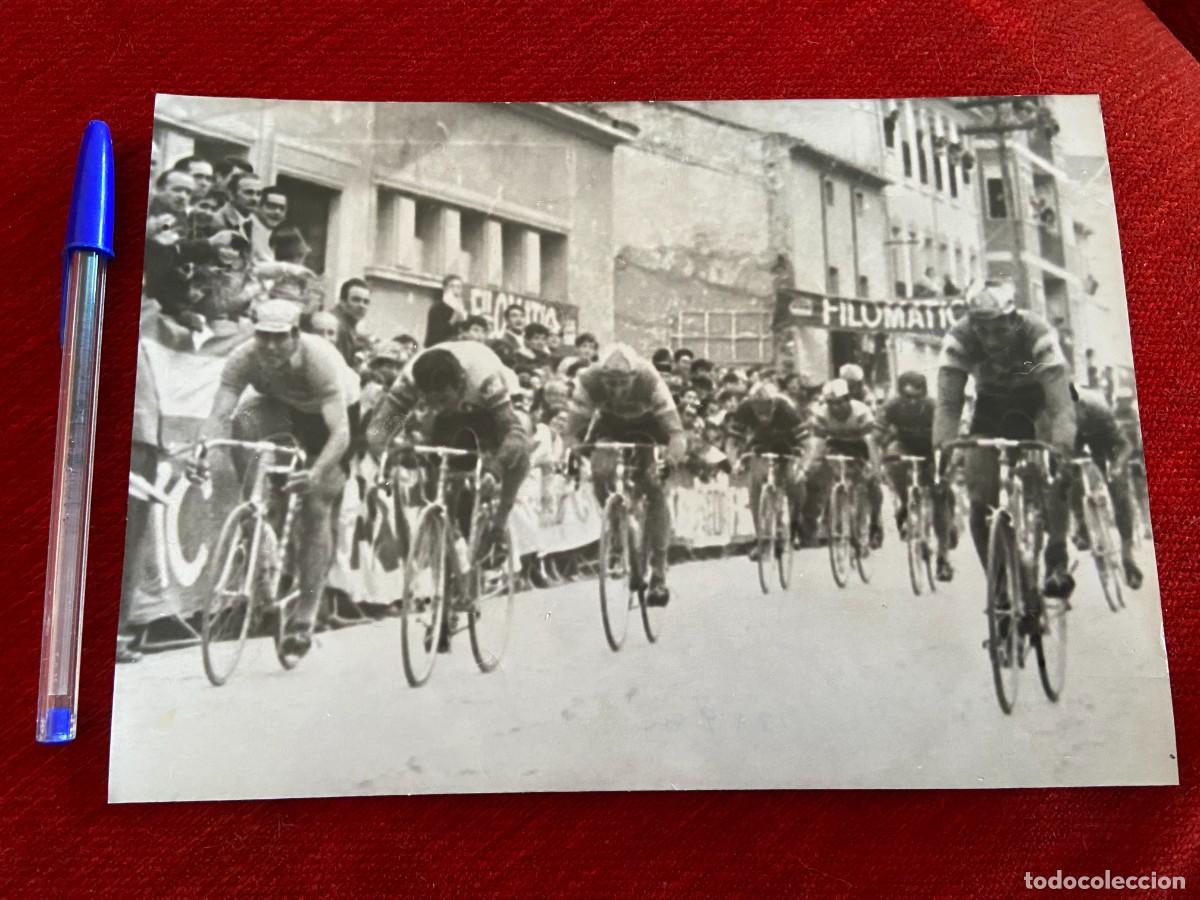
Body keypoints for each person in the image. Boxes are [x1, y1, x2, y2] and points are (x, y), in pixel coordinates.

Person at [200, 300, 355, 666]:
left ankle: (306, 614)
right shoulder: (244, 356)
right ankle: (256, 508)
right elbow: (219, 413)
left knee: (316, 505)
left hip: (331, 419)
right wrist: (202, 451)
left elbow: (341, 433)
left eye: (279, 337)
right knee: (241, 420)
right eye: (263, 336)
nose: (269, 346)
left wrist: (315, 473)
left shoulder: (319, 360)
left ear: (296, 335)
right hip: (281, 406)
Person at [932, 278, 1077, 601]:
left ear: (1013, 318)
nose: (990, 339)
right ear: (971, 323)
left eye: (998, 329)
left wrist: (1062, 446)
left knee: (1057, 475)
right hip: (991, 406)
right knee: (979, 499)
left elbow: (1061, 403)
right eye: (981, 329)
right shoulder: (960, 336)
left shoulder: (1035, 331)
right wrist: (943, 448)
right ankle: (998, 586)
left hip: (1037, 404)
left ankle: (1056, 559)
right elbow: (948, 404)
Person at [366, 342, 531, 602]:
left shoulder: (483, 379)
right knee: (438, 462)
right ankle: (452, 542)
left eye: (442, 399)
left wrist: (496, 468)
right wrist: (393, 454)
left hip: (489, 408)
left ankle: (499, 525)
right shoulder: (409, 382)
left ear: (460, 383)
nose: (437, 406)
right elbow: (378, 433)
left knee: (519, 452)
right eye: (430, 400)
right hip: (450, 418)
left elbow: (516, 434)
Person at [566, 344, 687, 607]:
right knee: (600, 469)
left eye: (623, 383)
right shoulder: (588, 380)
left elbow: (677, 434)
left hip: (649, 427)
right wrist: (574, 453)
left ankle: (658, 572)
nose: (617, 390)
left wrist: (669, 462)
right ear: (601, 377)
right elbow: (572, 432)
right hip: (610, 426)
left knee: (653, 486)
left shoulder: (649, 379)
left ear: (634, 377)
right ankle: (615, 524)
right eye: (610, 384)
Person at [876, 371, 954, 581]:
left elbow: (948, 440)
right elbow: (876, 433)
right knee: (893, 459)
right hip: (906, 446)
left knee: (939, 496)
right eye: (907, 397)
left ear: (924, 393)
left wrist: (942, 470)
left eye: (916, 397)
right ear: (900, 394)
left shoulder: (933, 407)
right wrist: (878, 457)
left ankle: (943, 558)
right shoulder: (892, 406)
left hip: (932, 449)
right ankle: (905, 501)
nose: (912, 402)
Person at [725, 381, 808, 558]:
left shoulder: (786, 408)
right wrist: (734, 463)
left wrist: (802, 467)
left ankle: (795, 525)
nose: (761, 411)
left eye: (766, 405)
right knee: (755, 487)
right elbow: (731, 442)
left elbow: (806, 442)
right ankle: (762, 539)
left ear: (774, 403)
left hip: (788, 445)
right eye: (757, 406)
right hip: (761, 445)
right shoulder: (745, 408)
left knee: (793, 480)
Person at [1071, 388, 1143, 589]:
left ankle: (1127, 557)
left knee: (1119, 491)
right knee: (1070, 476)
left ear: (1082, 406)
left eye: (1075, 411)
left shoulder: (1100, 413)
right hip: (1077, 442)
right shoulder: (1064, 417)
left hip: (1105, 443)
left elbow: (1125, 446)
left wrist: (1118, 466)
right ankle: (1081, 524)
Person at [800, 378, 884, 548]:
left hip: (860, 446)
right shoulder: (822, 413)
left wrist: (875, 469)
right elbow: (817, 445)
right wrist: (808, 467)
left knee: (871, 483)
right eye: (831, 403)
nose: (835, 407)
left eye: (839, 402)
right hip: (836, 445)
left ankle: (875, 523)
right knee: (818, 476)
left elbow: (871, 444)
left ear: (847, 399)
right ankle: (822, 522)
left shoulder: (861, 411)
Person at [333, 277, 372, 368]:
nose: (362, 305)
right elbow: (342, 369)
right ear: (342, 302)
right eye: (356, 300)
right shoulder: (340, 327)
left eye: (366, 302)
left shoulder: (346, 323)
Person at [424, 274, 467, 347]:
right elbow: (436, 334)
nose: (456, 290)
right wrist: (454, 318)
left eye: (459, 287)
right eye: (452, 286)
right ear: (445, 288)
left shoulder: (461, 309)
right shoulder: (437, 308)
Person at [248, 184, 288, 263]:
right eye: (272, 206)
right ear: (257, 207)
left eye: (282, 208)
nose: (277, 212)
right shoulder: (246, 229)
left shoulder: (273, 235)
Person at [215, 171, 262, 236]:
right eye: (249, 192)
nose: (255, 199)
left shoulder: (258, 223)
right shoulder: (217, 221)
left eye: (259, 194)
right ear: (231, 194)